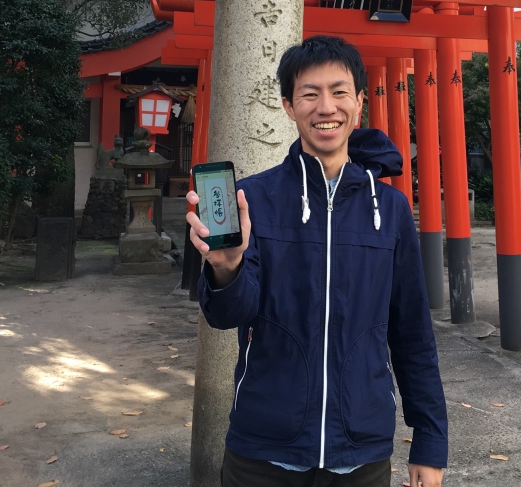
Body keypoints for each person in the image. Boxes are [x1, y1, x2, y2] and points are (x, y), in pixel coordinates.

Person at [187, 35, 448, 487]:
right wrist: (225, 267)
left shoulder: (389, 209)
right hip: (264, 449)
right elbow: (227, 316)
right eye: (309, 94)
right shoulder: (253, 200)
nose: (326, 107)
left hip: (360, 450)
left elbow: (413, 336)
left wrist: (429, 442)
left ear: (359, 102)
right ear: (289, 106)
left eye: (339, 91)